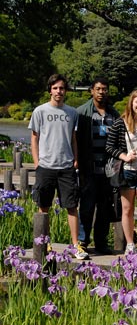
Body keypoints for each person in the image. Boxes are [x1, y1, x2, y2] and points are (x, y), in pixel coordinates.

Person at [28, 73, 88, 260]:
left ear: (65, 91)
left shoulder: (71, 113)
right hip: (46, 166)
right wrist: (37, 163)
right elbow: (34, 138)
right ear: (50, 90)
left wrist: (75, 159)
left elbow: (73, 138)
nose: (58, 91)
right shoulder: (40, 111)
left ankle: (75, 245)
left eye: (61, 88)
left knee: (71, 206)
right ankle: (44, 244)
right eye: (55, 88)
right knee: (43, 205)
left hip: (66, 166)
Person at [105, 89, 137, 258]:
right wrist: (124, 156)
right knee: (127, 209)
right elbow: (109, 146)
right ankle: (130, 244)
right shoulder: (120, 123)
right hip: (126, 171)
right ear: (131, 102)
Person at [76, 76, 121, 255]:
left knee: (104, 208)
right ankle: (82, 241)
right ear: (92, 91)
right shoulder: (82, 113)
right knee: (86, 207)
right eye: (98, 89)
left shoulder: (113, 114)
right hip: (88, 168)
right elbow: (76, 140)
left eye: (104, 89)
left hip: (109, 170)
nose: (102, 92)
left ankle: (101, 242)